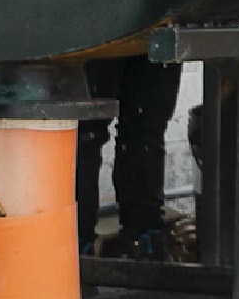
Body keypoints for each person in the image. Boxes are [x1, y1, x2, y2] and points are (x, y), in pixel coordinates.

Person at [78, 56, 186, 260]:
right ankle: (78, 254)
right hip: (95, 34)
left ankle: (143, 246)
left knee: (143, 132)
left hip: (154, 30)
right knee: (86, 135)